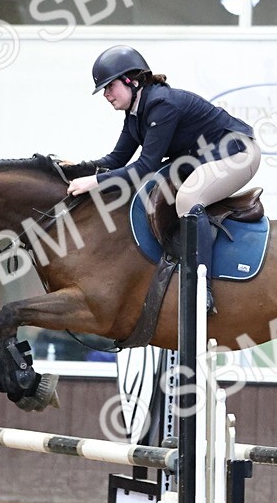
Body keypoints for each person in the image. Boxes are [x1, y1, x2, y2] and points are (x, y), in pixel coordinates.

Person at [66, 45, 260, 313]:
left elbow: (145, 167)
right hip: (202, 159)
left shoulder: (160, 105)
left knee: (189, 199)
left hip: (237, 153)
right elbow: (115, 160)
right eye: (104, 90)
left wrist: (94, 183)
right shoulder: (135, 115)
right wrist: (77, 169)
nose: (106, 94)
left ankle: (201, 289)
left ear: (131, 81)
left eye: (110, 86)